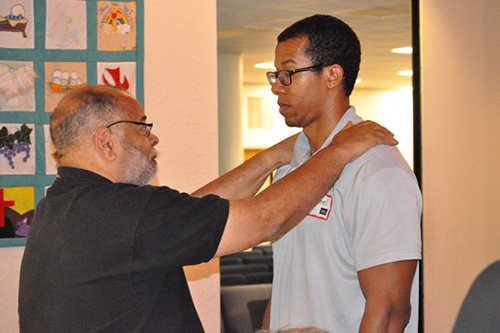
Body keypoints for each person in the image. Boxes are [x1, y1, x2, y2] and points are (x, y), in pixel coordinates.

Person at [17, 85, 396, 332]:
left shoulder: (62, 206)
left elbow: (193, 215)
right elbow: (264, 220)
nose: (153, 137)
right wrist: (340, 150)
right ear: (106, 142)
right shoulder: (124, 212)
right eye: (142, 127)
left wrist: (275, 157)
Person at [263, 15, 422, 332]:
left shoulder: (378, 171)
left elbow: (391, 310)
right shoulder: (291, 171)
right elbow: (287, 282)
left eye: (288, 73)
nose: (276, 87)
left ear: (332, 75)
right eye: (276, 75)